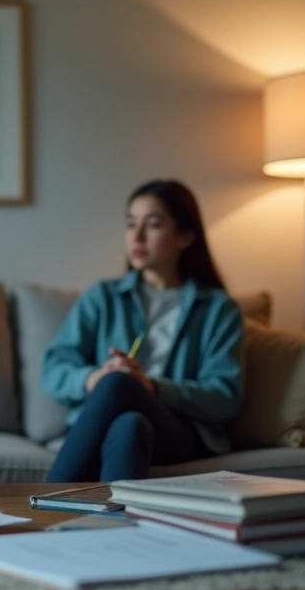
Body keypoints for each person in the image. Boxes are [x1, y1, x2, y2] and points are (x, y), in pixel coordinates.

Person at [42, 179, 242, 482]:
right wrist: (94, 377)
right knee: (129, 423)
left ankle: (45, 500)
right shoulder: (102, 296)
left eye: (153, 225)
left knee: (119, 383)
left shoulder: (217, 309)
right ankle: (121, 527)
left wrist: (151, 387)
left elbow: (224, 395)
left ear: (185, 236)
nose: (137, 236)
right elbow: (54, 369)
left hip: (179, 431)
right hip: (117, 422)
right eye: (131, 223)